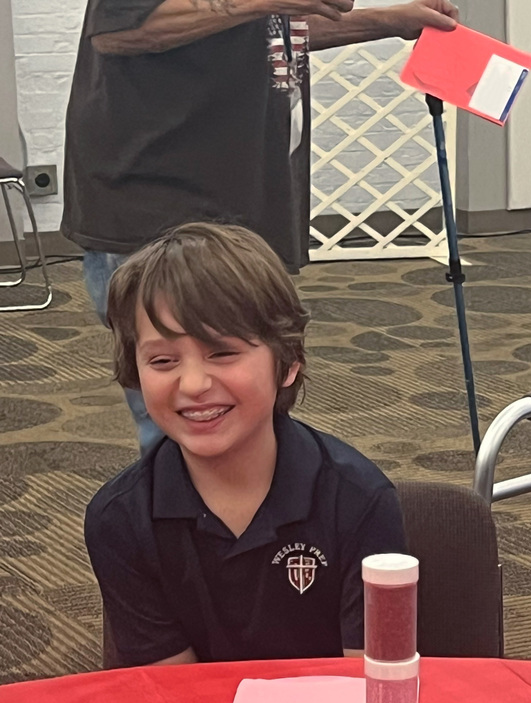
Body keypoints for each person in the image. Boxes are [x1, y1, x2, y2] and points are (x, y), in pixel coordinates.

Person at [63, 0, 459, 450]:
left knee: (249, 401)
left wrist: (390, 21)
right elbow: (120, 31)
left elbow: (266, 35)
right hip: (159, 207)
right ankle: (182, 518)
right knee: (188, 413)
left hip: (236, 204)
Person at [85, 222, 406, 666]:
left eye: (223, 352)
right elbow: (171, 694)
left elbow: (367, 692)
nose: (194, 384)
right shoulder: (119, 518)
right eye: (163, 360)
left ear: (289, 362)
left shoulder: (359, 501)